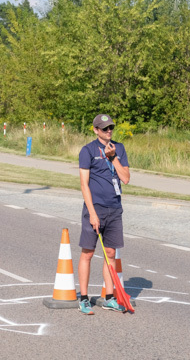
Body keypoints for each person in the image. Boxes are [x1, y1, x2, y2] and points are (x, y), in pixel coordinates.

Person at [77, 114, 130, 315]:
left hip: (115, 208)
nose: (109, 131)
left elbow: (125, 179)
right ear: (96, 130)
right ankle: (83, 298)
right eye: (104, 128)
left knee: (110, 254)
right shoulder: (87, 151)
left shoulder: (120, 148)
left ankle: (109, 297)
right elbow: (84, 184)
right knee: (88, 252)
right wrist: (92, 212)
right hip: (95, 207)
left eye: (111, 128)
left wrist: (113, 158)